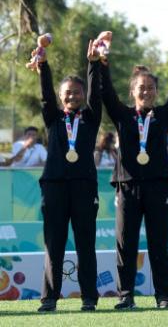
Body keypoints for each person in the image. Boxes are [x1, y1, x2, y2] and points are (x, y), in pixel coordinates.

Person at [100, 33, 168, 309]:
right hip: (127, 186)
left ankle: (163, 295)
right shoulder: (122, 115)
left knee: (158, 243)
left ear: (156, 91)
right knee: (126, 244)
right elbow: (105, 93)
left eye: (150, 87)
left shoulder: (163, 115)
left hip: (158, 186)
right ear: (132, 91)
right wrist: (102, 62)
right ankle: (126, 295)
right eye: (141, 87)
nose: (146, 91)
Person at [34, 38, 103, 312]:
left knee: (85, 243)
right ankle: (49, 298)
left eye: (77, 92)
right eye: (67, 93)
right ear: (61, 96)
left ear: (83, 95)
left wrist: (93, 64)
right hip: (54, 186)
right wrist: (43, 65)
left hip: (84, 187)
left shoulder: (91, 117)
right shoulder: (53, 117)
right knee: (54, 244)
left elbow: (97, 93)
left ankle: (89, 298)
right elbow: (45, 95)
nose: (72, 96)